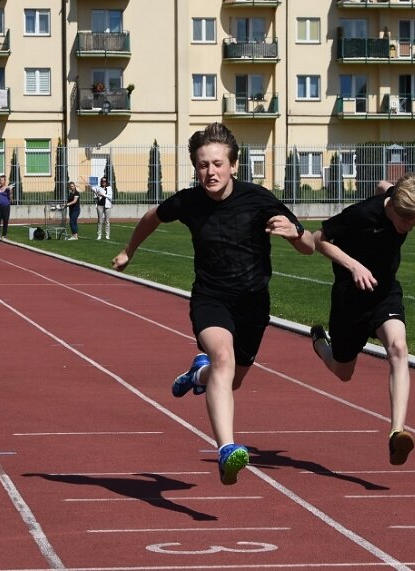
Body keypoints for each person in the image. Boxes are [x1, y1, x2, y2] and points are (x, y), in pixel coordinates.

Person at [112, 123, 315, 485]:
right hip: (211, 298)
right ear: (195, 167)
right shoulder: (188, 202)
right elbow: (151, 217)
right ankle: (226, 449)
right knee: (223, 357)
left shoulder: (259, 199)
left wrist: (296, 233)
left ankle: (197, 375)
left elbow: (310, 246)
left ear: (234, 165)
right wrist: (129, 250)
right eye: (203, 165)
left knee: (230, 380)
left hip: (253, 303)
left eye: (218, 164)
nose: (211, 172)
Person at [309, 172, 415, 466]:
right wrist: (354, 266)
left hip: (384, 292)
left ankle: (397, 433)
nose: (409, 229)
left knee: (399, 349)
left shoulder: (403, 202)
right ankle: (319, 344)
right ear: (393, 209)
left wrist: (384, 187)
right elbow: (318, 240)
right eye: (407, 223)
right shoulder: (361, 214)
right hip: (349, 299)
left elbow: (386, 187)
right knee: (343, 372)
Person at [93, 176, 113, 240]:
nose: (103, 182)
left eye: (104, 181)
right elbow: (95, 196)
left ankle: (107, 235)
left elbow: (110, 197)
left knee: (107, 221)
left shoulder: (109, 188)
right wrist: (96, 195)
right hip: (100, 205)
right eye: (102, 181)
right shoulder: (98, 188)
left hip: (107, 206)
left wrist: (103, 195)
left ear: (106, 182)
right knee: (99, 220)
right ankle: (99, 235)